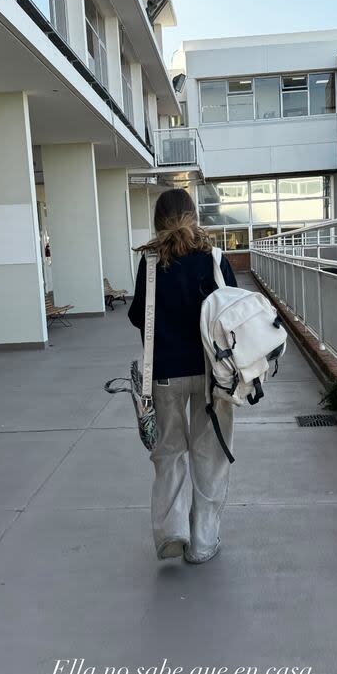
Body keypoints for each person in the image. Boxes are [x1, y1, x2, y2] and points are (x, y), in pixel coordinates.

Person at [128, 189, 237, 563]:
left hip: (164, 376)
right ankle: (204, 542)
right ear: (194, 215)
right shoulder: (214, 259)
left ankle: (173, 531)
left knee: (170, 453)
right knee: (210, 456)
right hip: (213, 375)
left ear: (159, 221)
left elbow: (138, 317)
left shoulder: (151, 263)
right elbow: (233, 313)